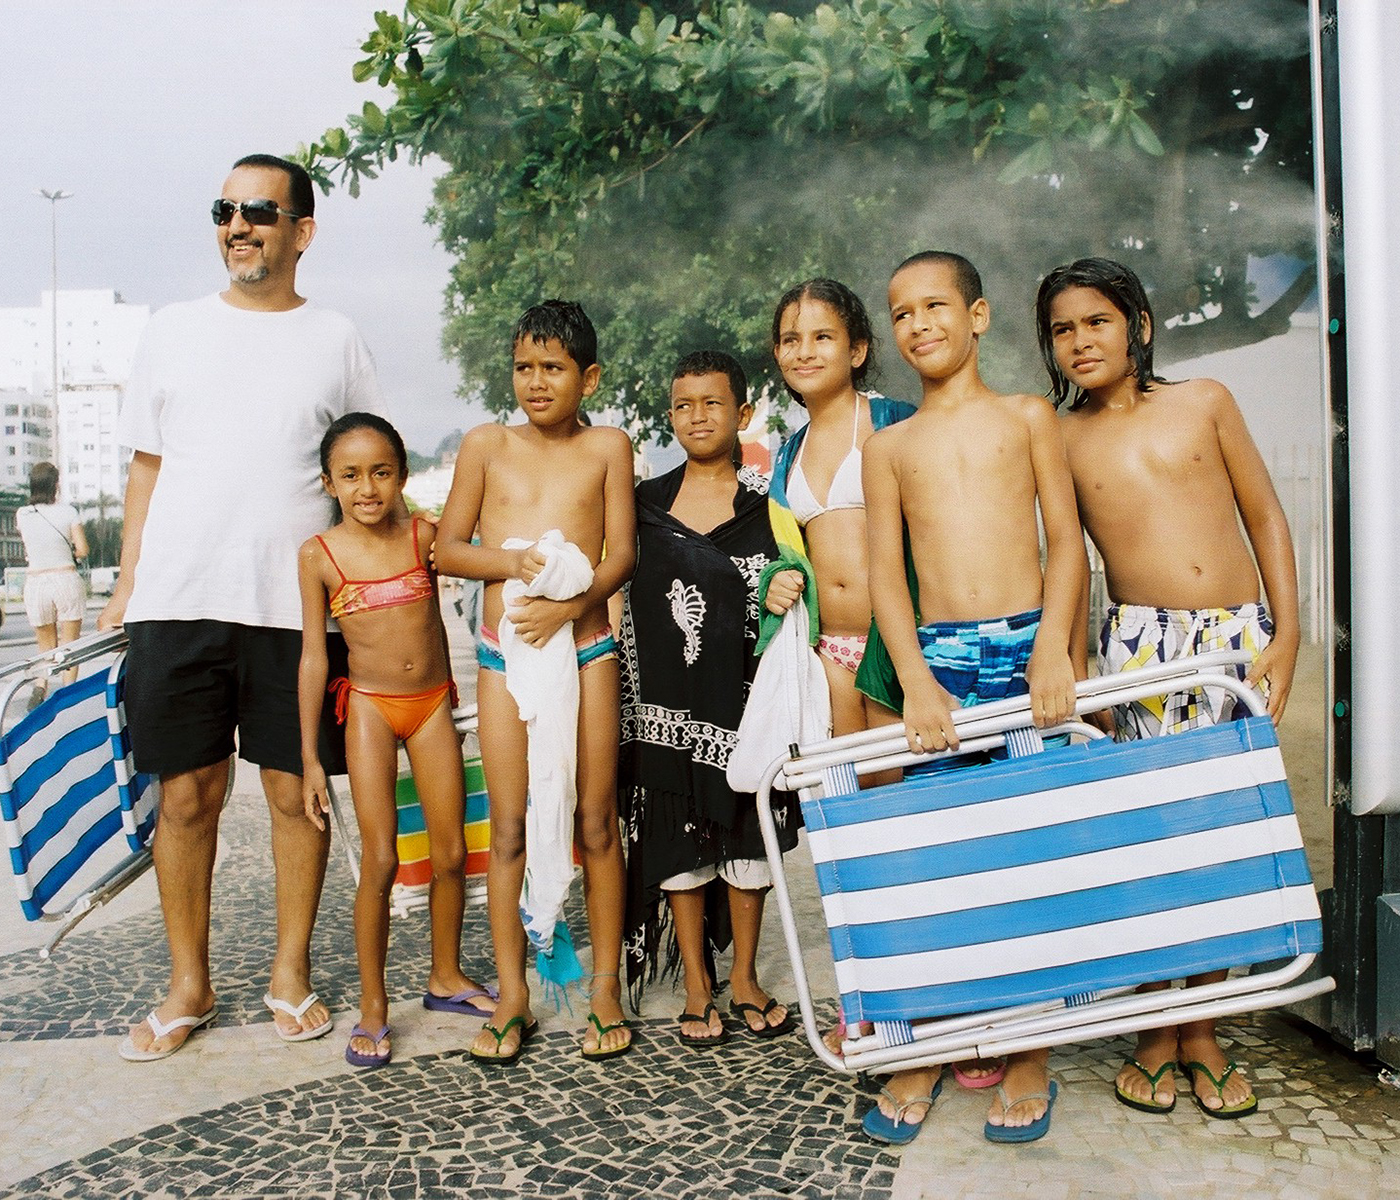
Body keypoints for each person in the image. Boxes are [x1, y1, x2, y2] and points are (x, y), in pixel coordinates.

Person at [102, 153, 386, 1061]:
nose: (238, 226)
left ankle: (289, 973)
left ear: (302, 231)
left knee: (297, 794)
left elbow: (364, 470)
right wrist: (125, 584)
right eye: (224, 210)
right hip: (177, 598)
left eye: (260, 211)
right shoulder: (170, 330)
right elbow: (146, 467)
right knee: (186, 796)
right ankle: (189, 984)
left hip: (295, 609)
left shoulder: (336, 338)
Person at [1038, 256, 1300, 1120]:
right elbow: (1066, 557)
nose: (1080, 341)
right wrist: (1074, 665)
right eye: (1063, 329)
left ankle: (1204, 1028)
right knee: (1151, 836)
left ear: (1140, 326)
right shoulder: (1061, 437)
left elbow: (1265, 515)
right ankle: (1156, 1026)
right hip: (1136, 649)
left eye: (1097, 321)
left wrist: (1288, 634)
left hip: (1232, 640)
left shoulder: (1206, 401)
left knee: (1222, 830)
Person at [858, 250, 1087, 1144]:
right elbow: (886, 576)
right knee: (937, 855)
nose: (919, 324)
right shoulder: (889, 448)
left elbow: (1066, 543)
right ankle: (929, 1042)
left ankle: (1029, 1050)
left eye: (935, 306)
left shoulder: (1028, 417)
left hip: (1029, 648)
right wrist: (915, 678)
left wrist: (1053, 650)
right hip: (941, 660)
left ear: (979, 315)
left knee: (1033, 848)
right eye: (902, 312)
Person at [435, 299, 636, 1065]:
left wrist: (569, 607)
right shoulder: (486, 444)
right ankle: (514, 993)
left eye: (554, 367)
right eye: (525, 366)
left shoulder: (608, 447)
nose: (537, 381)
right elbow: (449, 550)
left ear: (590, 377)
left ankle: (606, 988)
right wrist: (513, 563)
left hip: (587, 649)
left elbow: (622, 554)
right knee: (510, 826)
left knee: (596, 820)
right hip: (503, 657)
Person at [298, 413, 497, 1069]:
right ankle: (375, 1006)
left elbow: (481, 560)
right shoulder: (319, 555)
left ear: (403, 476)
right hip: (371, 711)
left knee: (451, 853)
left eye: (381, 472)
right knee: (381, 861)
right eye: (350, 475)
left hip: (432, 704)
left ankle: (446, 975)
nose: (367, 488)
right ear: (329, 482)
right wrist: (308, 758)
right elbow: (314, 658)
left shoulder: (424, 537)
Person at [619, 350, 802, 1044]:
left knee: (749, 837)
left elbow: (802, 575)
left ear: (743, 413)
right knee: (678, 843)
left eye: (713, 403)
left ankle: (745, 976)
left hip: (746, 709)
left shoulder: (769, 509)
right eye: (683, 405)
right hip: (665, 714)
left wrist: (788, 586)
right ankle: (698, 984)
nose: (697, 416)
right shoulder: (642, 507)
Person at [17, 461, 89, 696]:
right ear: (55, 485)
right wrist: (71, 553)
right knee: (70, 645)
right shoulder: (69, 512)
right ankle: (67, 692)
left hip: (36, 582)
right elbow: (83, 549)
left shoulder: (23, 514)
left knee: (45, 645)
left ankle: (41, 686)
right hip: (65, 578)